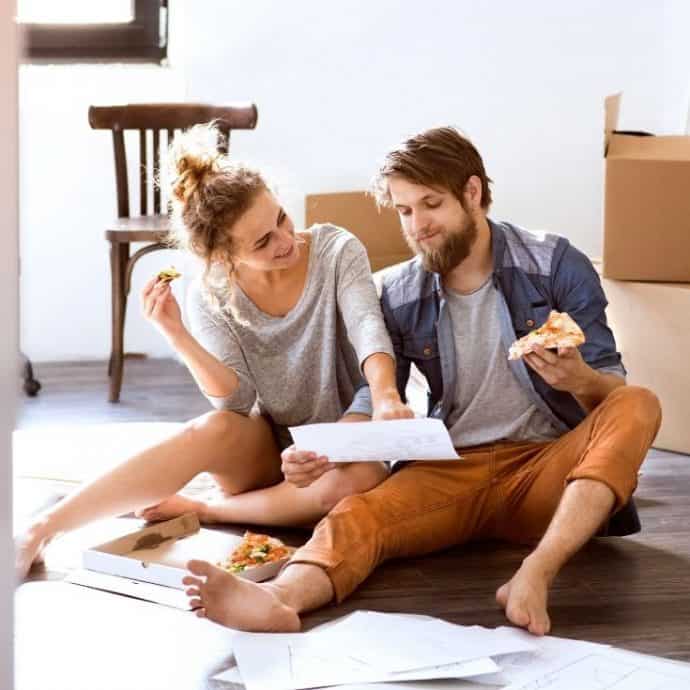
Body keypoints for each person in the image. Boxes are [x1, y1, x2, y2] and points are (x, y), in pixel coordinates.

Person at [180, 126, 662, 636]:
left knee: (639, 404)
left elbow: (611, 395)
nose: (417, 226)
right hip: (452, 469)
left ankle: (535, 573)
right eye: (405, 211)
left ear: (472, 193)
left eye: (430, 204)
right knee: (358, 513)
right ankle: (280, 598)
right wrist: (331, 448)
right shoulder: (401, 291)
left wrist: (580, 379)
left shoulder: (556, 265)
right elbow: (375, 393)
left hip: (545, 469)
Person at [15, 123, 414, 579]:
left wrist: (383, 397)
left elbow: (367, 323)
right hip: (269, 455)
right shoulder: (211, 290)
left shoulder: (334, 248)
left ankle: (210, 509)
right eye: (262, 242)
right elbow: (236, 402)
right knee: (211, 427)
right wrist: (176, 335)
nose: (286, 241)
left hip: (349, 442)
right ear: (223, 257)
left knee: (350, 487)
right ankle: (42, 528)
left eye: (281, 219)